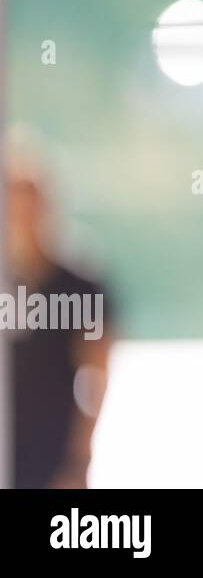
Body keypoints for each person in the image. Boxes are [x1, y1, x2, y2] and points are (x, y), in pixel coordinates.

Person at [5, 125, 115, 489]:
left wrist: (79, 456)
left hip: (54, 452)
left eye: (29, 196)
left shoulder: (79, 281)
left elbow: (97, 373)